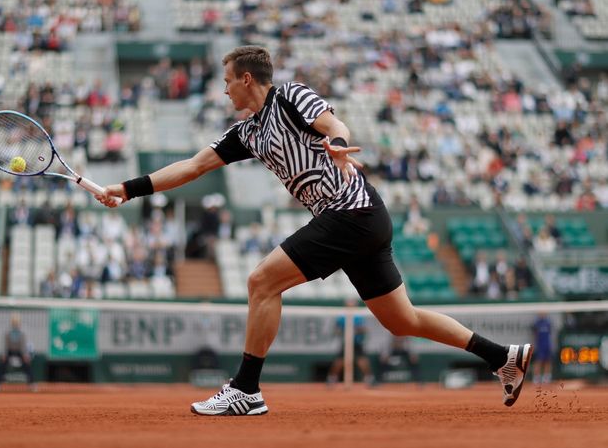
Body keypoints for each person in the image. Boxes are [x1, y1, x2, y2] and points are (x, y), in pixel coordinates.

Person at [96, 46, 533, 415]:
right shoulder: (248, 132)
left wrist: (338, 146)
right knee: (403, 320)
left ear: (247, 79)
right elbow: (193, 167)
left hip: (350, 212)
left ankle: (246, 390)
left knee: (261, 281)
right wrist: (128, 189)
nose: (224, 89)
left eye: (227, 81)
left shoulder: (290, 96)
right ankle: (503, 356)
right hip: (361, 218)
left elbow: (334, 125)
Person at [326, 297, 375, 387]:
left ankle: (369, 379)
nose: (351, 305)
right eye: (349, 303)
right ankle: (332, 379)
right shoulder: (342, 316)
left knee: (362, 360)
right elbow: (336, 329)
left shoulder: (359, 316)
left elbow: (364, 329)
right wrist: (344, 331)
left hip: (357, 342)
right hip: (346, 342)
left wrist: (356, 330)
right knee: (340, 361)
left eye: (352, 303)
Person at [0, 313, 36, 392]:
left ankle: (32, 384)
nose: (15, 324)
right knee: (2, 365)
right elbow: (5, 345)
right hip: (10, 351)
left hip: (20, 352)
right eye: (14, 322)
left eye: (17, 322)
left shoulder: (22, 333)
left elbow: (23, 346)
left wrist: (25, 356)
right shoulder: (7, 333)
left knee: (27, 366)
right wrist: (4, 355)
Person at [531, 312, 553, 384]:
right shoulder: (537, 324)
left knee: (548, 361)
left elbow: (550, 334)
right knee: (538, 361)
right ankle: (536, 377)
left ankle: (546, 377)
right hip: (540, 345)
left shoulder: (548, 323)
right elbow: (534, 335)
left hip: (547, 345)